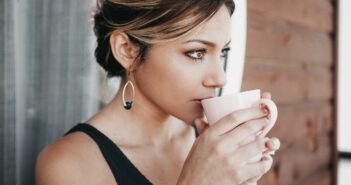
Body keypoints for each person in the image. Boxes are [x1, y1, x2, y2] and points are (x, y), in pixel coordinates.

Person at [35, 0, 280, 184]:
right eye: (196, 53)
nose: (220, 78)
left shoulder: (213, 143)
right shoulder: (68, 165)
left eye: (222, 52)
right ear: (127, 51)